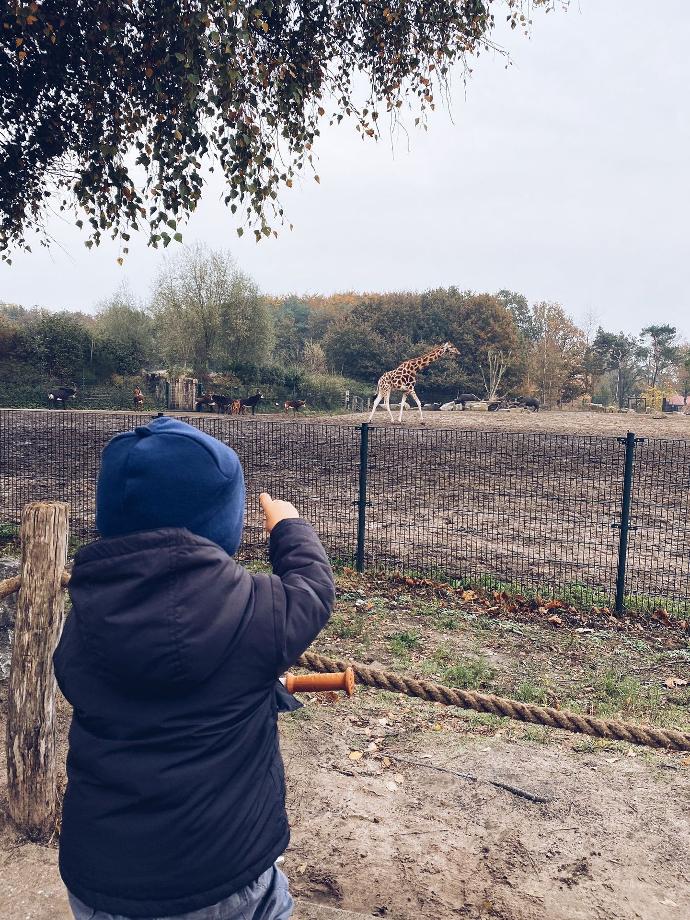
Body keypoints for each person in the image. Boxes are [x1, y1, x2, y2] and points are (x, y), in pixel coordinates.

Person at [53, 415, 335, 920]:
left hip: (103, 881)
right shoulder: (257, 610)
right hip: (224, 877)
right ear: (221, 523)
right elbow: (313, 586)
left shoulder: (85, 621)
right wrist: (289, 527)